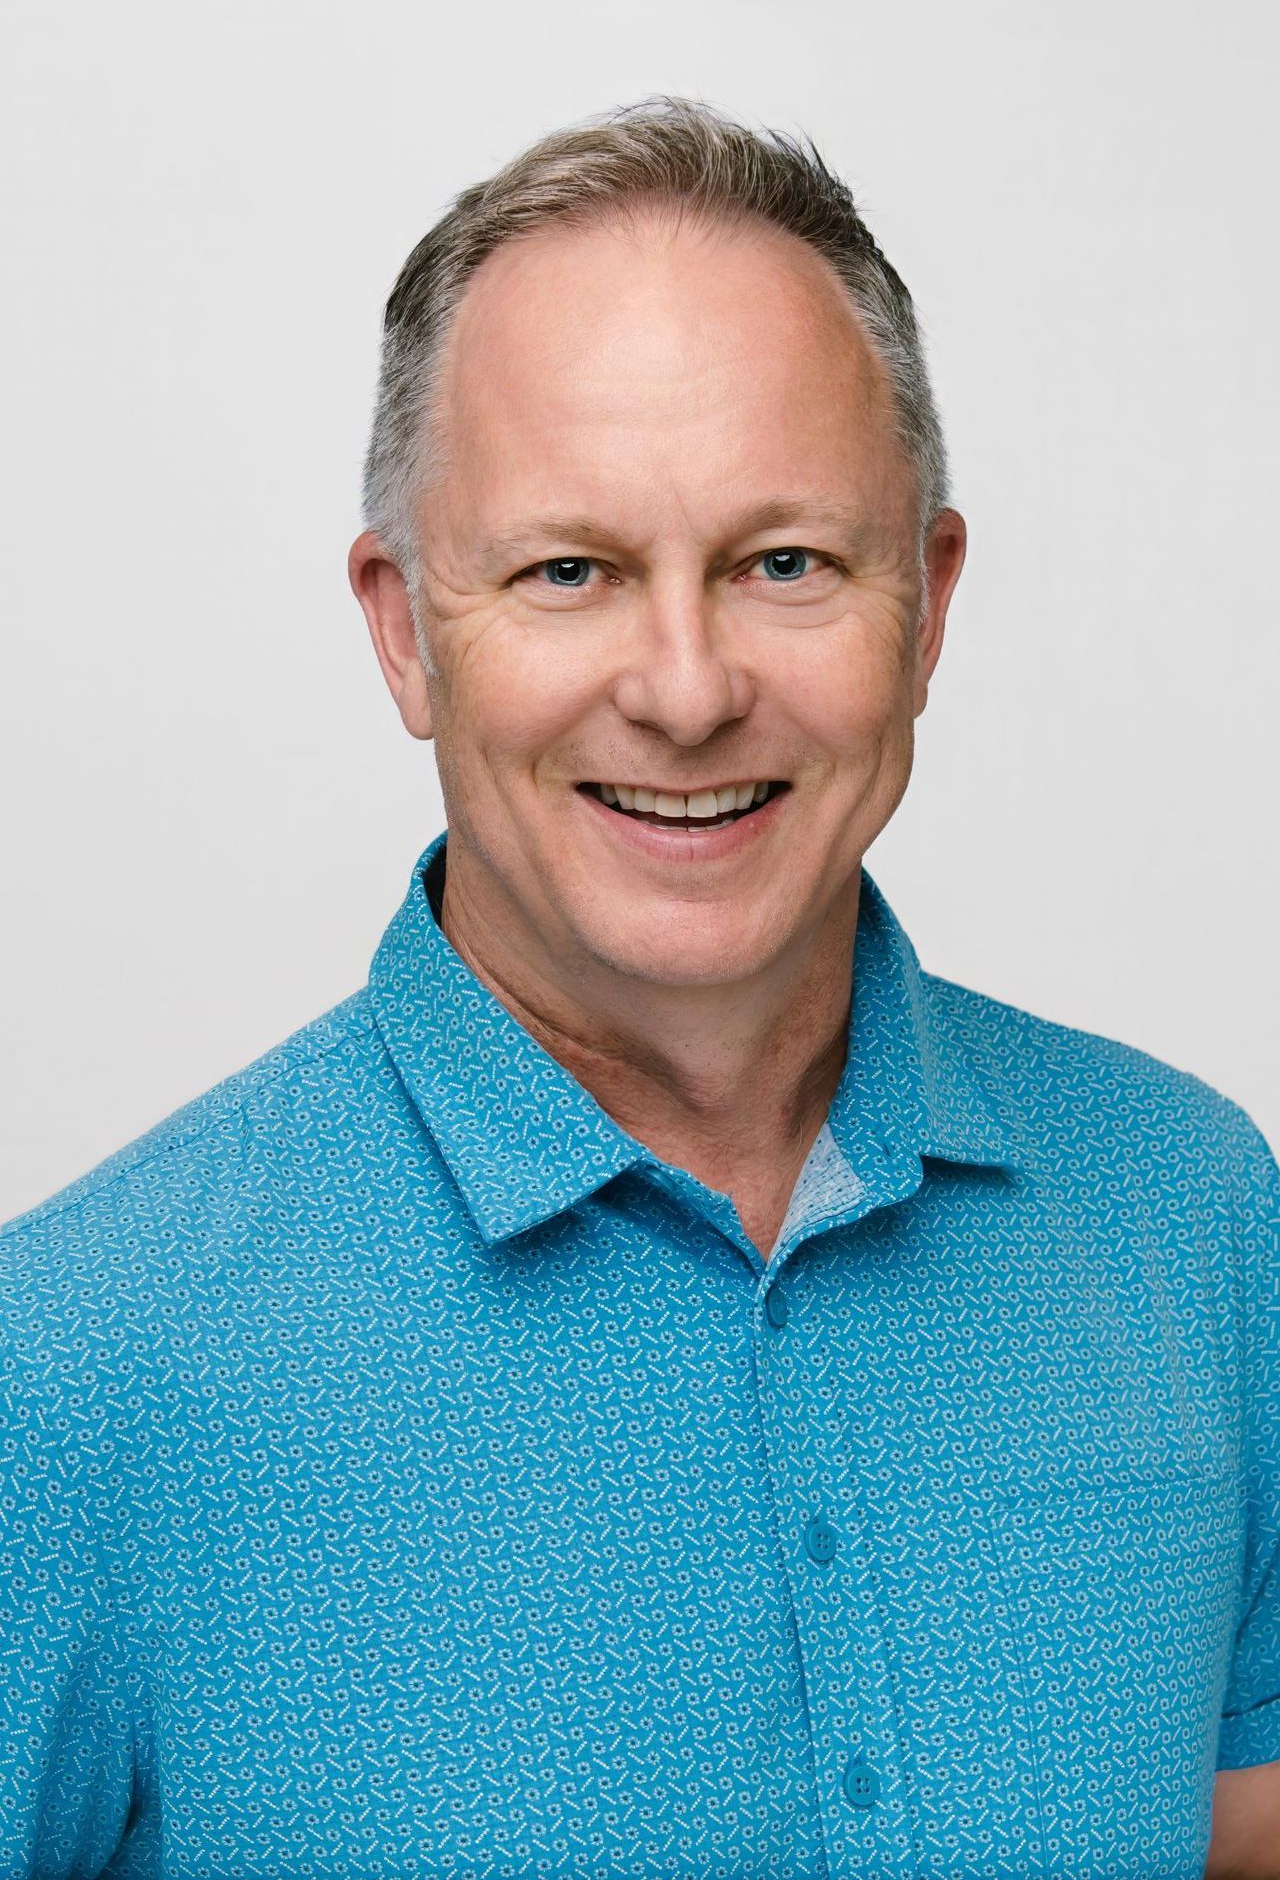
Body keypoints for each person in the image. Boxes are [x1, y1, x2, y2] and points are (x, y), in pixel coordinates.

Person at [2, 94, 1277, 1880]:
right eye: (570, 571)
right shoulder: (67, 1367)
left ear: (928, 593)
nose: (685, 691)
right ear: (402, 628)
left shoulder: (1198, 1215)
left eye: (784, 564)